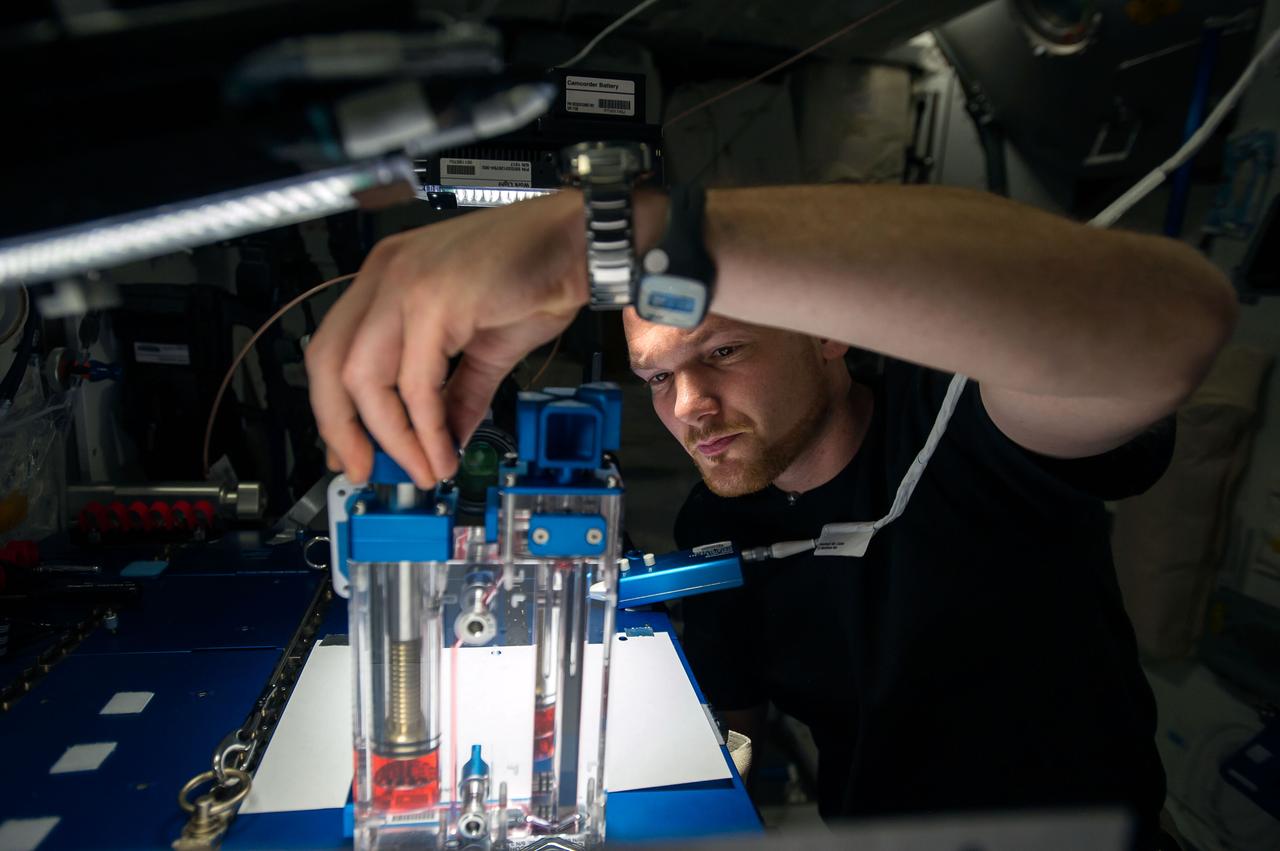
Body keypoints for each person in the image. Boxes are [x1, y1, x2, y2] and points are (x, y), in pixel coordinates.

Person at [305, 183, 1235, 848]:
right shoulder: (720, 527)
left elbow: (1177, 328)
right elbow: (729, 738)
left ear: (830, 332)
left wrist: (610, 232)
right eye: (659, 377)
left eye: (726, 350)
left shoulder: (969, 419)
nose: (687, 407)